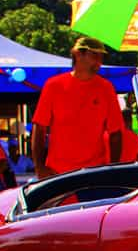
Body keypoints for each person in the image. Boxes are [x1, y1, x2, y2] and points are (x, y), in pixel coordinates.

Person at [31, 36, 123, 179]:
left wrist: (113, 169)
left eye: (101, 57)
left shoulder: (106, 88)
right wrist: (39, 167)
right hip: (57, 173)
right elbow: (39, 128)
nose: (99, 62)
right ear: (78, 54)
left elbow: (116, 132)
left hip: (94, 172)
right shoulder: (54, 86)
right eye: (95, 55)